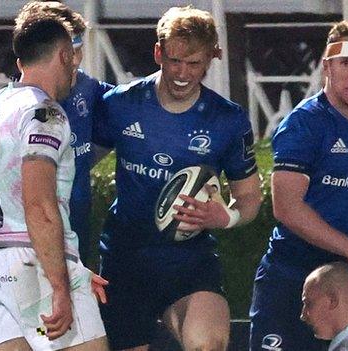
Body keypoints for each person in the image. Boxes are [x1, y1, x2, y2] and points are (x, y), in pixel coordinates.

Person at [92, 5, 263, 351]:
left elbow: (250, 200)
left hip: (190, 264)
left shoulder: (227, 121)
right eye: (174, 61)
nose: (183, 73)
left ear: (211, 59)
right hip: (125, 263)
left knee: (207, 344)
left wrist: (225, 216)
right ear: (158, 53)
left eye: (194, 64)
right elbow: (76, 169)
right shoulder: (121, 104)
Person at [248, 19, 348, 351]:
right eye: (347, 62)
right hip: (292, 271)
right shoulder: (303, 124)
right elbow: (287, 207)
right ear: (327, 67)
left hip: (346, 275)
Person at [0, 8, 108, 351]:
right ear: (65, 55)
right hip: (35, 266)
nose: (76, 68)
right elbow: (39, 205)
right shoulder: (45, 113)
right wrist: (59, 281)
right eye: (74, 58)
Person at [16, 0, 114, 265]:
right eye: (70, 51)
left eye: (79, 50)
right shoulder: (16, 105)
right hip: (29, 241)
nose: (75, 60)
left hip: (77, 230)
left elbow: (127, 112)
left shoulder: (88, 88)